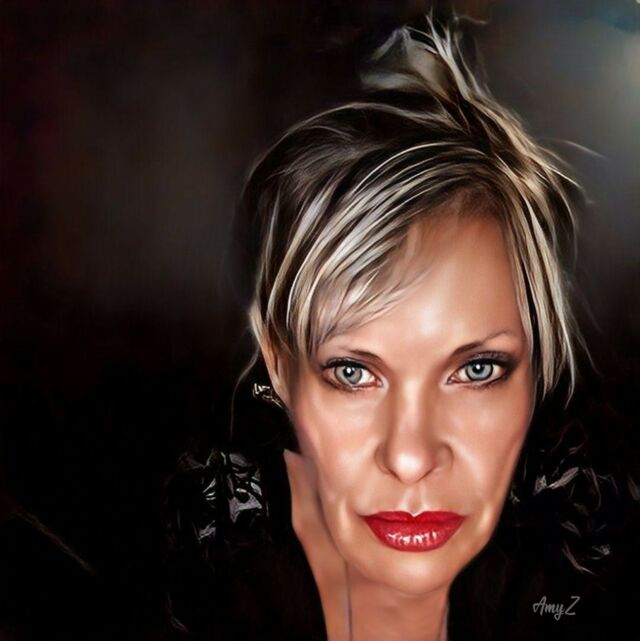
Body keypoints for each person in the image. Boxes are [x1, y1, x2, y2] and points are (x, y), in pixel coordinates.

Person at [163, 10, 627, 641]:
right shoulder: (193, 593)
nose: (410, 458)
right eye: (353, 373)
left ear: (537, 371)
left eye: (477, 369)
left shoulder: (581, 591)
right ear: (279, 366)